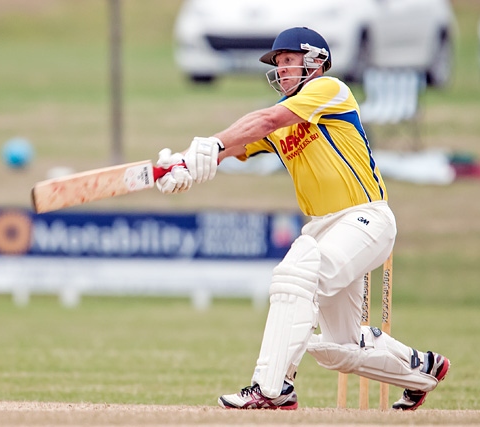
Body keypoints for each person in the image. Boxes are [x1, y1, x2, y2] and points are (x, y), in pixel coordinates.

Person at [154, 27, 450, 411]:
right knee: (340, 349)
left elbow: (263, 120)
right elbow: (236, 146)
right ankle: (422, 370)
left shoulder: (330, 90)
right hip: (325, 227)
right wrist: (185, 163)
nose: (281, 71)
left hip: (365, 217)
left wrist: (210, 144)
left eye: (289, 61)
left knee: (296, 275)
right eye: (278, 65)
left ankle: (272, 389)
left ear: (316, 61)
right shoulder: (283, 124)